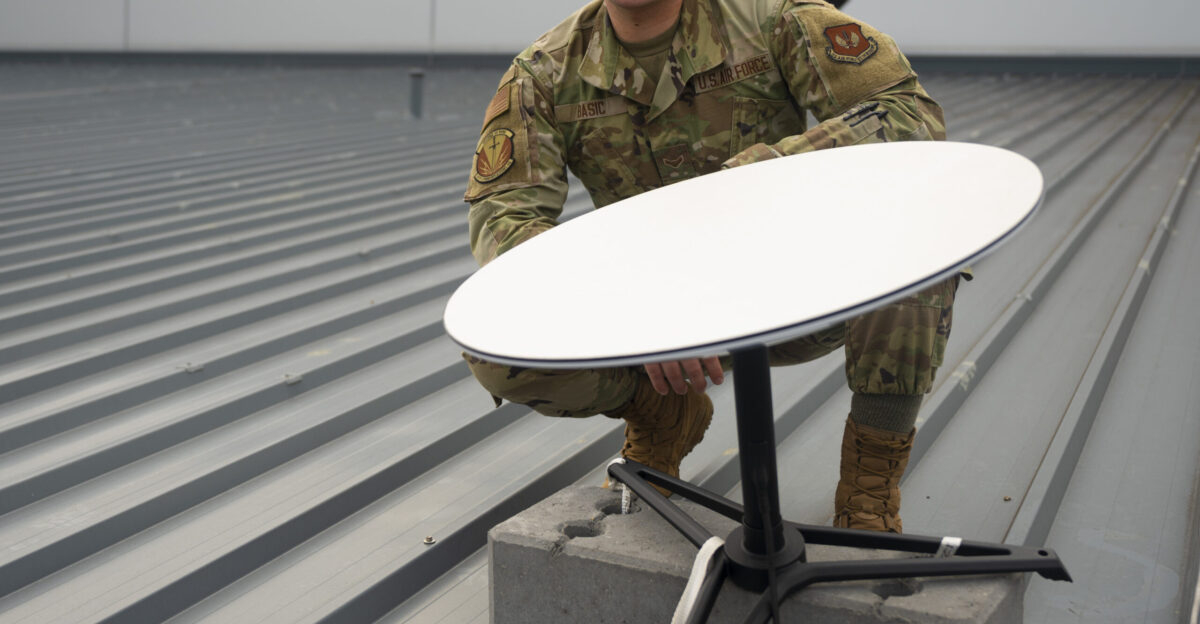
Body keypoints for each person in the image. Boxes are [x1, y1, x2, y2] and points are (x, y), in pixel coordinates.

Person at [462, 0, 957, 533]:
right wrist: (631, 304)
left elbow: (909, 114)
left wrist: (764, 172)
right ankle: (663, 415)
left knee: (921, 254)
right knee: (500, 343)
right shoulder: (545, 70)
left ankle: (868, 487)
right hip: (648, 313)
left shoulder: (773, 19)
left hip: (795, 293)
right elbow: (504, 213)